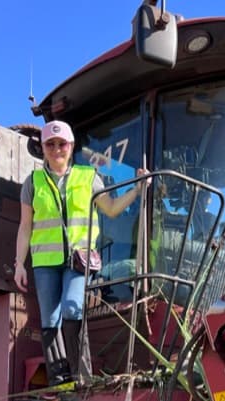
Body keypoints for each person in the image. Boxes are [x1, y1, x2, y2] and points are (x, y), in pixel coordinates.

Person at [16, 120, 147, 385]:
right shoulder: (32, 183)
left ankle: (81, 376)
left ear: (71, 146)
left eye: (61, 144)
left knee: (72, 308)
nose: (56, 149)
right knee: (50, 318)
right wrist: (19, 263)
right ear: (43, 148)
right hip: (44, 262)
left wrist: (137, 189)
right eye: (50, 144)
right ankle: (60, 380)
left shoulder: (88, 177)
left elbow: (111, 209)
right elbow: (25, 226)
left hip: (79, 260)